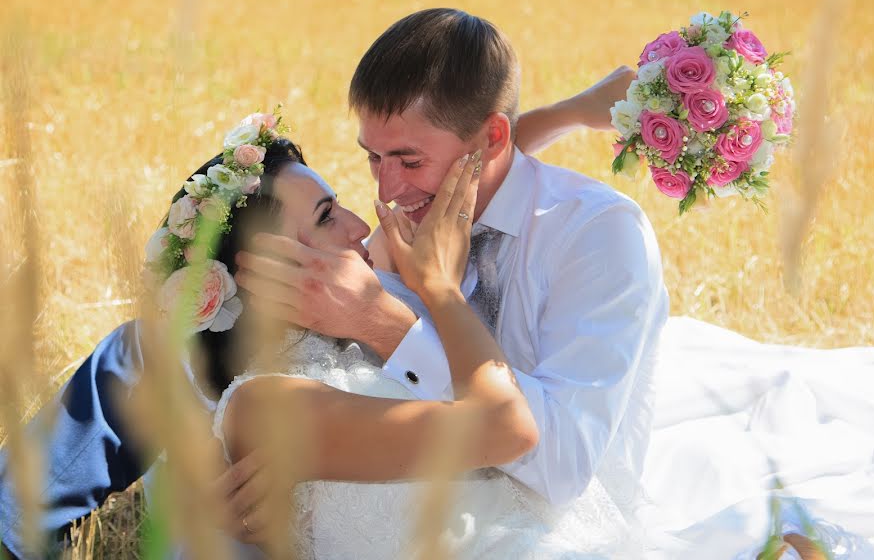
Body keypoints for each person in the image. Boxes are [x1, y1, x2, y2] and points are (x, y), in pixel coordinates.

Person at [0, 59, 640, 557]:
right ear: (259, 270)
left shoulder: (378, 278)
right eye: (329, 216)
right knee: (142, 351)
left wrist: (571, 112)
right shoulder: (267, 396)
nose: (367, 222)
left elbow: (460, 171)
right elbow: (506, 424)